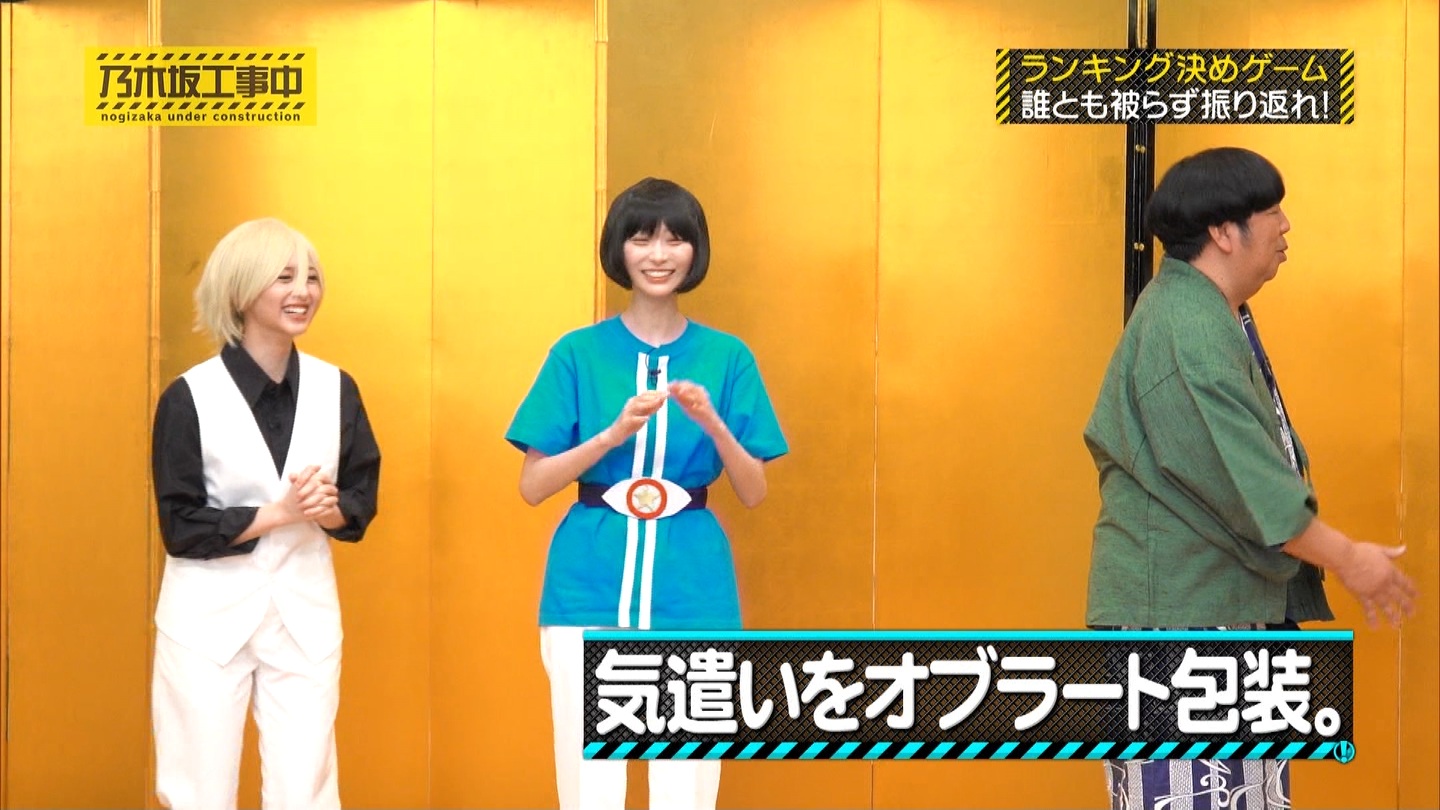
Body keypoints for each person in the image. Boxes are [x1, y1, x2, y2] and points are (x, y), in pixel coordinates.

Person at [1083, 147, 1416, 809]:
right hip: (1183, 632)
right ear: (1222, 231)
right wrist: (1349, 559)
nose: (1285, 224)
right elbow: (1255, 492)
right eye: (1269, 210)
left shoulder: (1203, 313)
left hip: (1208, 620)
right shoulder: (1187, 328)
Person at [507, 178, 788, 810]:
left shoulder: (727, 356)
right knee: (589, 779)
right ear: (619, 249)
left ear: (695, 251)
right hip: (587, 582)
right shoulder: (577, 353)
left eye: (674, 239)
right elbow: (533, 485)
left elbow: (753, 490)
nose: (658, 254)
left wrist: (713, 423)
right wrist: (610, 435)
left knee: (687, 781)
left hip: (694, 582)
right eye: (641, 238)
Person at [150, 218, 381, 809]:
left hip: (304, 614)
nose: (303, 291)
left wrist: (328, 510)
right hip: (206, 622)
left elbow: (359, 500)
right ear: (240, 290)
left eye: (311, 277)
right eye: (283, 277)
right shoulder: (188, 396)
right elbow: (180, 526)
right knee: (198, 789)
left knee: (306, 789)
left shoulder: (337, 388)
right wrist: (280, 513)